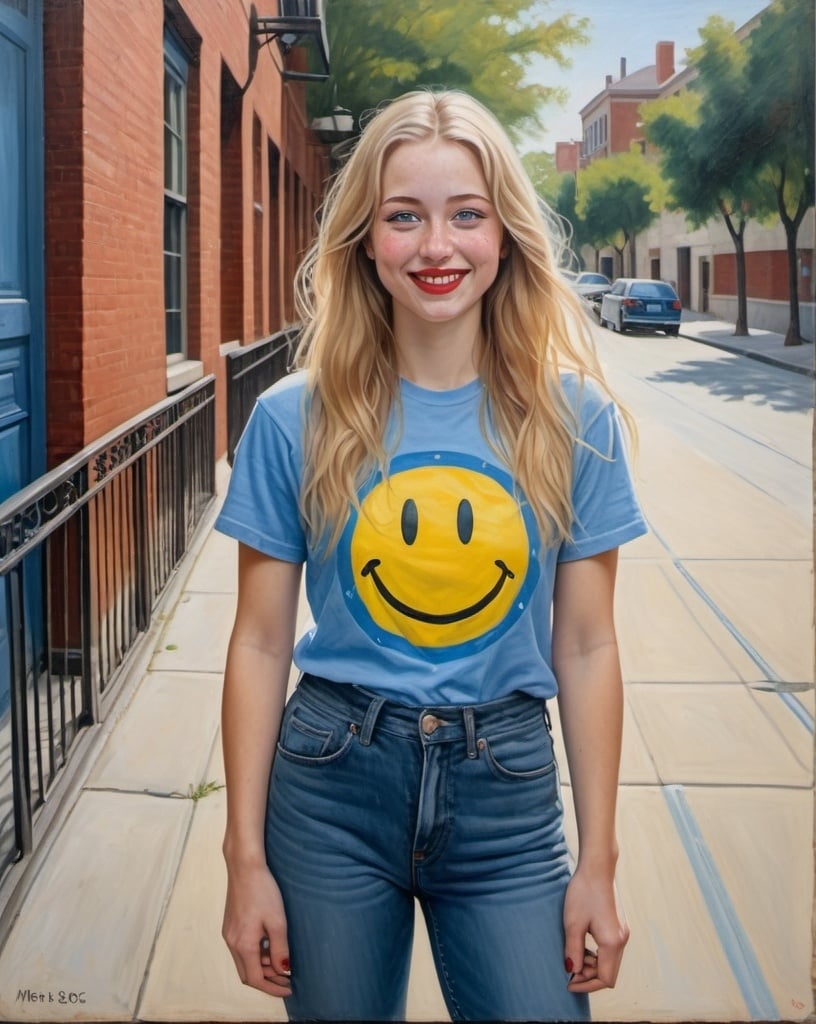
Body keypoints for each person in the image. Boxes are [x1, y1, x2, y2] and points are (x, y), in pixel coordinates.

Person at [215, 88, 647, 1023]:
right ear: (366, 239)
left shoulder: (577, 422)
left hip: (508, 798)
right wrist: (242, 859)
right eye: (404, 216)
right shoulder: (294, 418)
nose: (436, 247)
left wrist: (600, 862)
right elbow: (257, 643)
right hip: (330, 786)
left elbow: (586, 647)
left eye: (467, 215)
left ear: (506, 236)